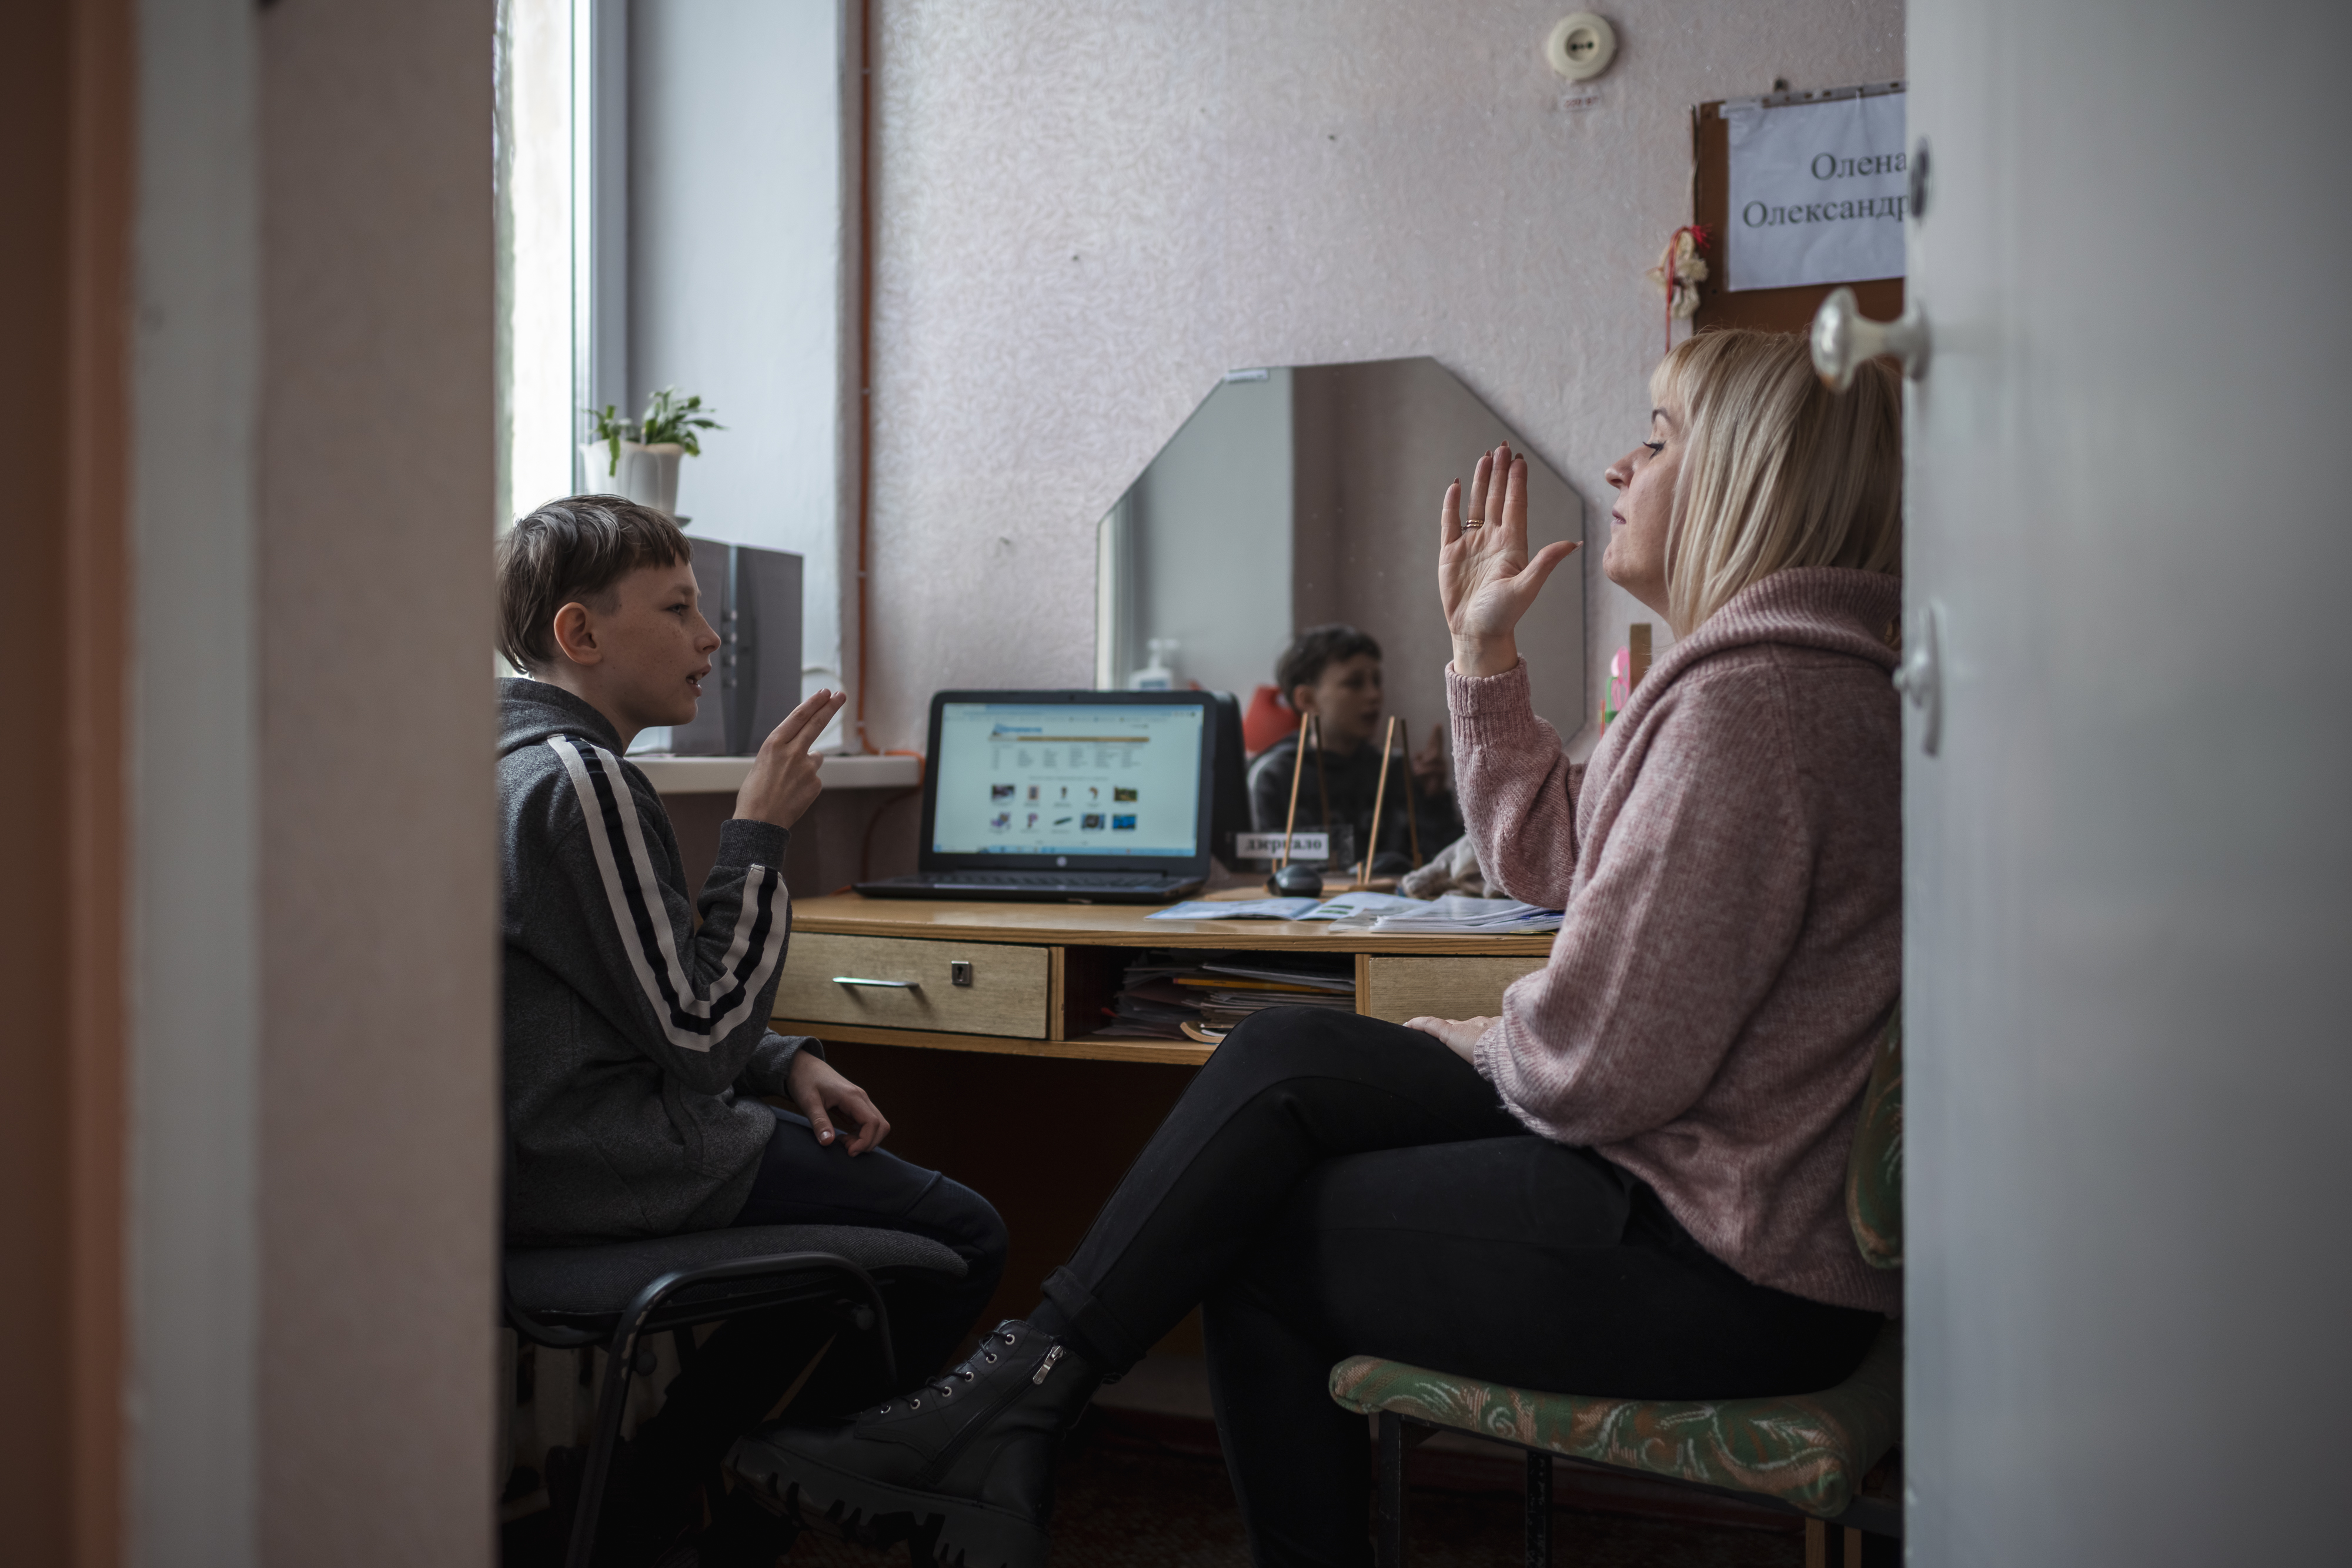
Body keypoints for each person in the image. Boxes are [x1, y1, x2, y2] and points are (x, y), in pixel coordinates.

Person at [729, 329, 1904, 1568]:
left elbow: (1595, 1067)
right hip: (1719, 1200)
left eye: (1660, 437)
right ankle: (1007, 1412)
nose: (1622, 463)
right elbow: (1553, 857)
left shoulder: (1753, 701)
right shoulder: (1759, 679)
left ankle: (999, 1412)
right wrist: (1482, 652)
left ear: (1750, 476)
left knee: (1260, 1231)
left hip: (1718, 1253)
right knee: (1282, 1046)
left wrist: (1450, 1037)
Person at [494, 497, 1007, 1564]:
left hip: (551, 1159)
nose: (712, 636)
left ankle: (657, 1495)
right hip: (608, 1164)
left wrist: (790, 1058)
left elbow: (636, 993)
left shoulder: (507, 769)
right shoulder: (581, 785)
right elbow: (699, 1036)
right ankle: (761, 1511)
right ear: (580, 635)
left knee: (845, 1258)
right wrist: (759, 832)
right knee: (963, 1242)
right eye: (679, 608)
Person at [1245, 624, 1461, 874]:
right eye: (1354, 683)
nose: (1374, 695)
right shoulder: (1273, 777)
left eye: (1377, 681)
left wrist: (1433, 800)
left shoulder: (1395, 769)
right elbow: (1265, 873)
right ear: (1307, 700)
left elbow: (1445, 866)